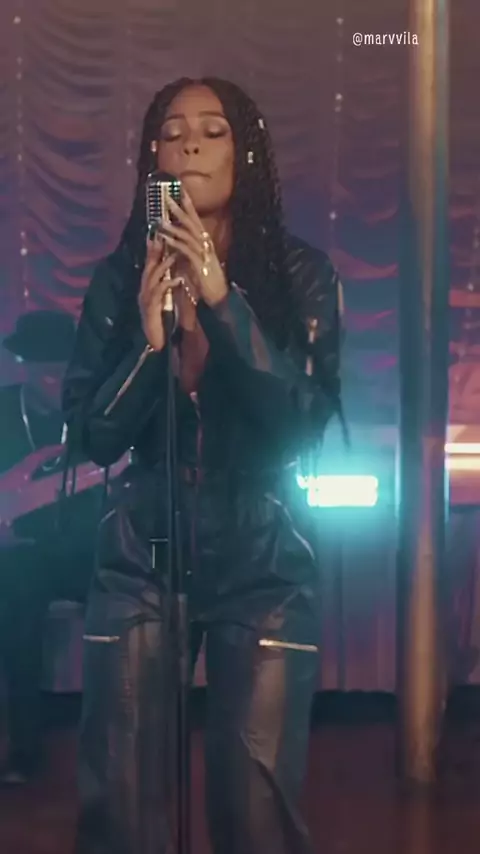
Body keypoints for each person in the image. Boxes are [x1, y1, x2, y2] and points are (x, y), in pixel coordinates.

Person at [62, 77, 343, 854]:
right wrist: (149, 345)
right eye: (172, 131)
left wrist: (222, 302)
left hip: (263, 548)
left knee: (255, 808)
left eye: (213, 130)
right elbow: (92, 437)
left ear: (244, 154)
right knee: (123, 804)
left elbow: (301, 422)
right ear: (153, 158)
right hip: (143, 547)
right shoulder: (122, 277)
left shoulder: (300, 274)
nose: (189, 142)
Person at [0, 312, 99, 784]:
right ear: (24, 365)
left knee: (124, 605)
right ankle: (25, 751)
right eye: (42, 368)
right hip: (20, 553)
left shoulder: (92, 414)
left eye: (60, 368)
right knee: (18, 623)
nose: (52, 380)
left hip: (83, 547)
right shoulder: (4, 410)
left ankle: (115, 741)